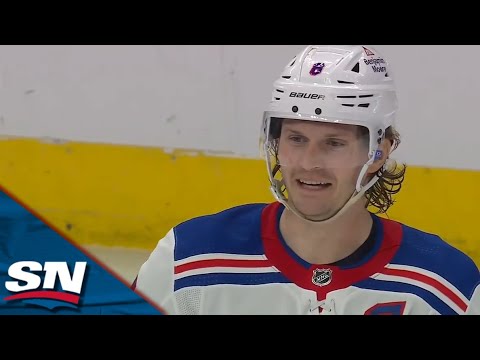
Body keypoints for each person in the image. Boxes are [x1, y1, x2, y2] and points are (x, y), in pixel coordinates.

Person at [132, 45, 480, 315]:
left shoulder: (446, 285)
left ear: (379, 152)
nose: (309, 163)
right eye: (296, 139)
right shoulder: (188, 259)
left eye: (333, 144)